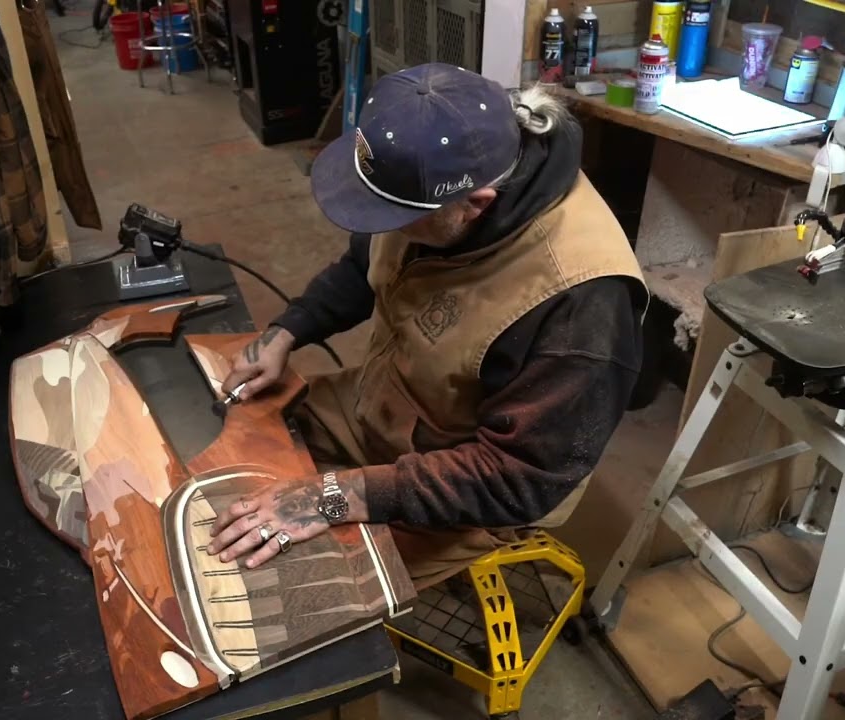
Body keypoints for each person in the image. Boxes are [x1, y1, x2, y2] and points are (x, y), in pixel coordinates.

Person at [206, 63, 648, 590]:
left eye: (393, 215)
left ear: (475, 205)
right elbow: (365, 264)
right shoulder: (425, 181)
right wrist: (286, 333)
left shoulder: (581, 304)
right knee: (237, 440)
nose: (381, 224)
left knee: (292, 588)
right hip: (382, 404)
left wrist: (333, 497)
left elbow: (519, 479)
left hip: (469, 480)